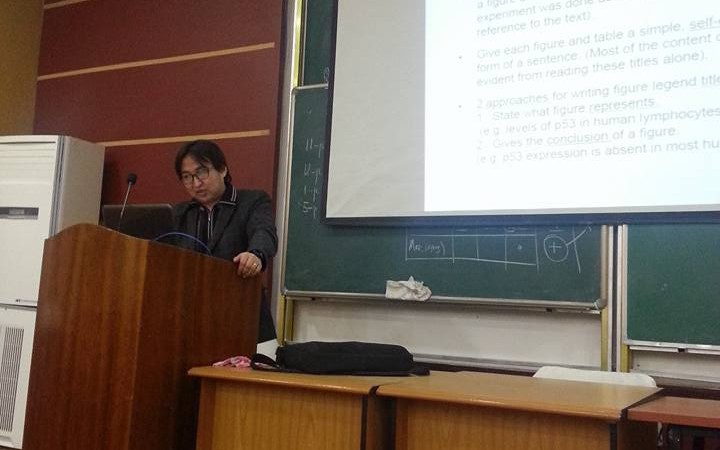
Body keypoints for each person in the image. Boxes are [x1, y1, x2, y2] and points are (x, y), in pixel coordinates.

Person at [171, 139, 278, 347]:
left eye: (201, 172)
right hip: (194, 323)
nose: (196, 183)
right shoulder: (180, 214)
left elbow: (264, 232)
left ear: (222, 169)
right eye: (187, 177)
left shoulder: (252, 201)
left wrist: (255, 254)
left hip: (243, 318)